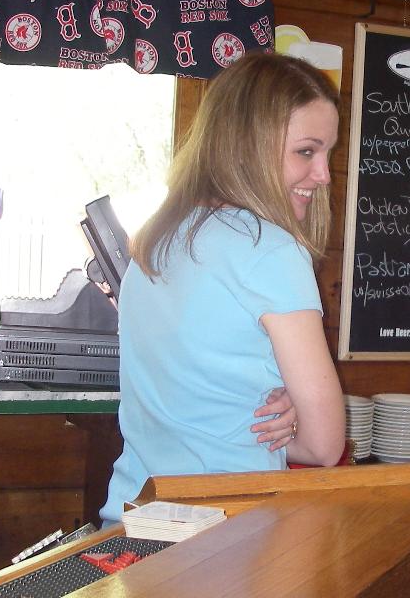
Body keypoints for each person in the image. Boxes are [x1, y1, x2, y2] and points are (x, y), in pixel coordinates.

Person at [100, 51, 346, 526]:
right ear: (249, 145)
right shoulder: (271, 250)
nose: (323, 175)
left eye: (327, 153)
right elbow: (323, 446)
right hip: (224, 534)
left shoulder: (157, 240)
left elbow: (198, 397)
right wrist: (292, 426)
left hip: (133, 522)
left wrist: (280, 404)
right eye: (306, 151)